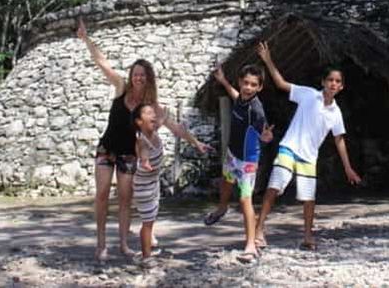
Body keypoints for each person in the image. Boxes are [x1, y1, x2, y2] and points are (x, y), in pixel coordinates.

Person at [254, 41, 362, 251]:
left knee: (309, 198)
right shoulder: (309, 94)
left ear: (341, 86)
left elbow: (339, 139)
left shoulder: (336, 113)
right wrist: (268, 60)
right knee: (274, 186)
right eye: (330, 80)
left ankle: (307, 236)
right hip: (289, 148)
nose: (333, 84)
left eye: (337, 81)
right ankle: (259, 229)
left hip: (309, 156)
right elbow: (281, 84)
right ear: (323, 82)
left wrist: (348, 168)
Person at [78, 18, 155, 261]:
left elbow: (145, 136)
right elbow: (102, 63)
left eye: (142, 75)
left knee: (125, 199)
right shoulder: (121, 87)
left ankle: (123, 244)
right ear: (131, 76)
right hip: (107, 149)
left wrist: (145, 157)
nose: (138, 78)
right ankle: (101, 244)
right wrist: (86, 39)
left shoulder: (148, 104)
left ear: (148, 78)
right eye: (136, 74)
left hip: (128, 154)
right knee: (101, 194)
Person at [203, 64, 273, 263]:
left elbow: (263, 132)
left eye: (253, 85)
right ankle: (222, 208)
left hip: (248, 162)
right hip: (232, 154)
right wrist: (223, 81)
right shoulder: (242, 98)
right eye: (245, 83)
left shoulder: (256, 110)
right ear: (240, 82)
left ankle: (251, 245)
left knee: (245, 200)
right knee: (226, 181)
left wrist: (266, 136)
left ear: (260, 87)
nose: (248, 87)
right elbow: (235, 96)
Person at [132, 102, 209, 268]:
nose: (153, 115)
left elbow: (174, 128)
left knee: (150, 219)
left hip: (153, 182)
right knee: (147, 221)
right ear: (139, 122)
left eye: (153, 113)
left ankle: (146, 250)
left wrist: (196, 143)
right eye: (147, 113)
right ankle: (146, 257)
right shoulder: (141, 140)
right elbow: (143, 150)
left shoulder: (153, 131)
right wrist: (144, 161)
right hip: (143, 185)